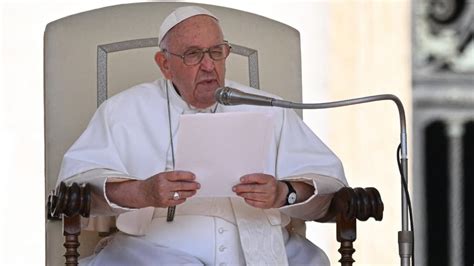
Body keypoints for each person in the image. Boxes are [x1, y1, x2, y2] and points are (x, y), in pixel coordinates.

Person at [57, 5, 347, 266]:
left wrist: (284, 192)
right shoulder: (122, 111)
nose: (209, 65)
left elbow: (327, 185)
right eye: (193, 54)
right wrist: (142, 192)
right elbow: (76, 188)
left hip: (262, 247)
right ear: (165, 64)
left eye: (216, 52)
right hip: (154, 251)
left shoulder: (270, 108)